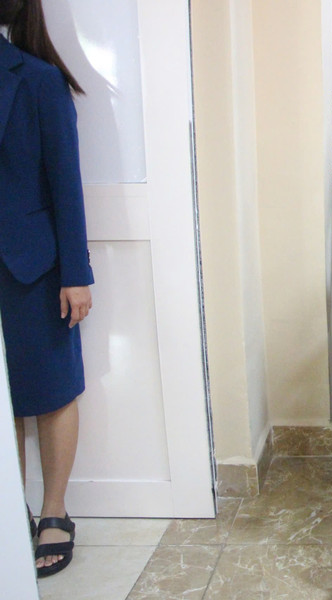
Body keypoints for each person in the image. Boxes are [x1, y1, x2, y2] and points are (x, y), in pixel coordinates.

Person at [1, 0, 93, 577]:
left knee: (50, 389)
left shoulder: (37, 79)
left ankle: (53, 511)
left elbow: (65, 184)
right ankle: (10, 513)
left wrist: (75, 273)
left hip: (29, 267)